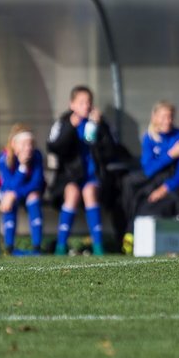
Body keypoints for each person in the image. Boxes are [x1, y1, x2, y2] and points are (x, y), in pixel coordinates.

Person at [46, 85, 118, 256]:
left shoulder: (99, 123)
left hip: (93, 177)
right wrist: (70, 127)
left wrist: (99, 127)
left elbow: (111, 151)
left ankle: (98, 246)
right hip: (69, 178)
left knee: (90, 192)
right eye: (81, 102)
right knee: (72, 193)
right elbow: (54, 147)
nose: (86, 106)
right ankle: (61, 246)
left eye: (89, 102)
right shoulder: (64, 122)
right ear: (72, 104)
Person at [121, 100, 179, 255]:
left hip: (172, 182)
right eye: (163, 117)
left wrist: (164, 189)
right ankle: (128, 234)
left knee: (165, 199)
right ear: (154, 117)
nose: (167, 121)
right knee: (129, 186)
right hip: (152, 180)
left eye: (170, 117)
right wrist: (170, 155)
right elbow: (148, 169)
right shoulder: (149, 138)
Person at [0, 124, 45, 255]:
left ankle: (37, 247)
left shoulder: (37, 156)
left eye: (30, 144)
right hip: (9, 192)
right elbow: (8, 185)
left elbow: (36, 183)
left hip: (27, 191)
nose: (28, 148)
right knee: (8, 201)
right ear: (13, 144)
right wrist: (22, 167)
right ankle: (9, 247)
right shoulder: (3, 158)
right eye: (23, 144)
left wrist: (15, 194)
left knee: (33, 198)